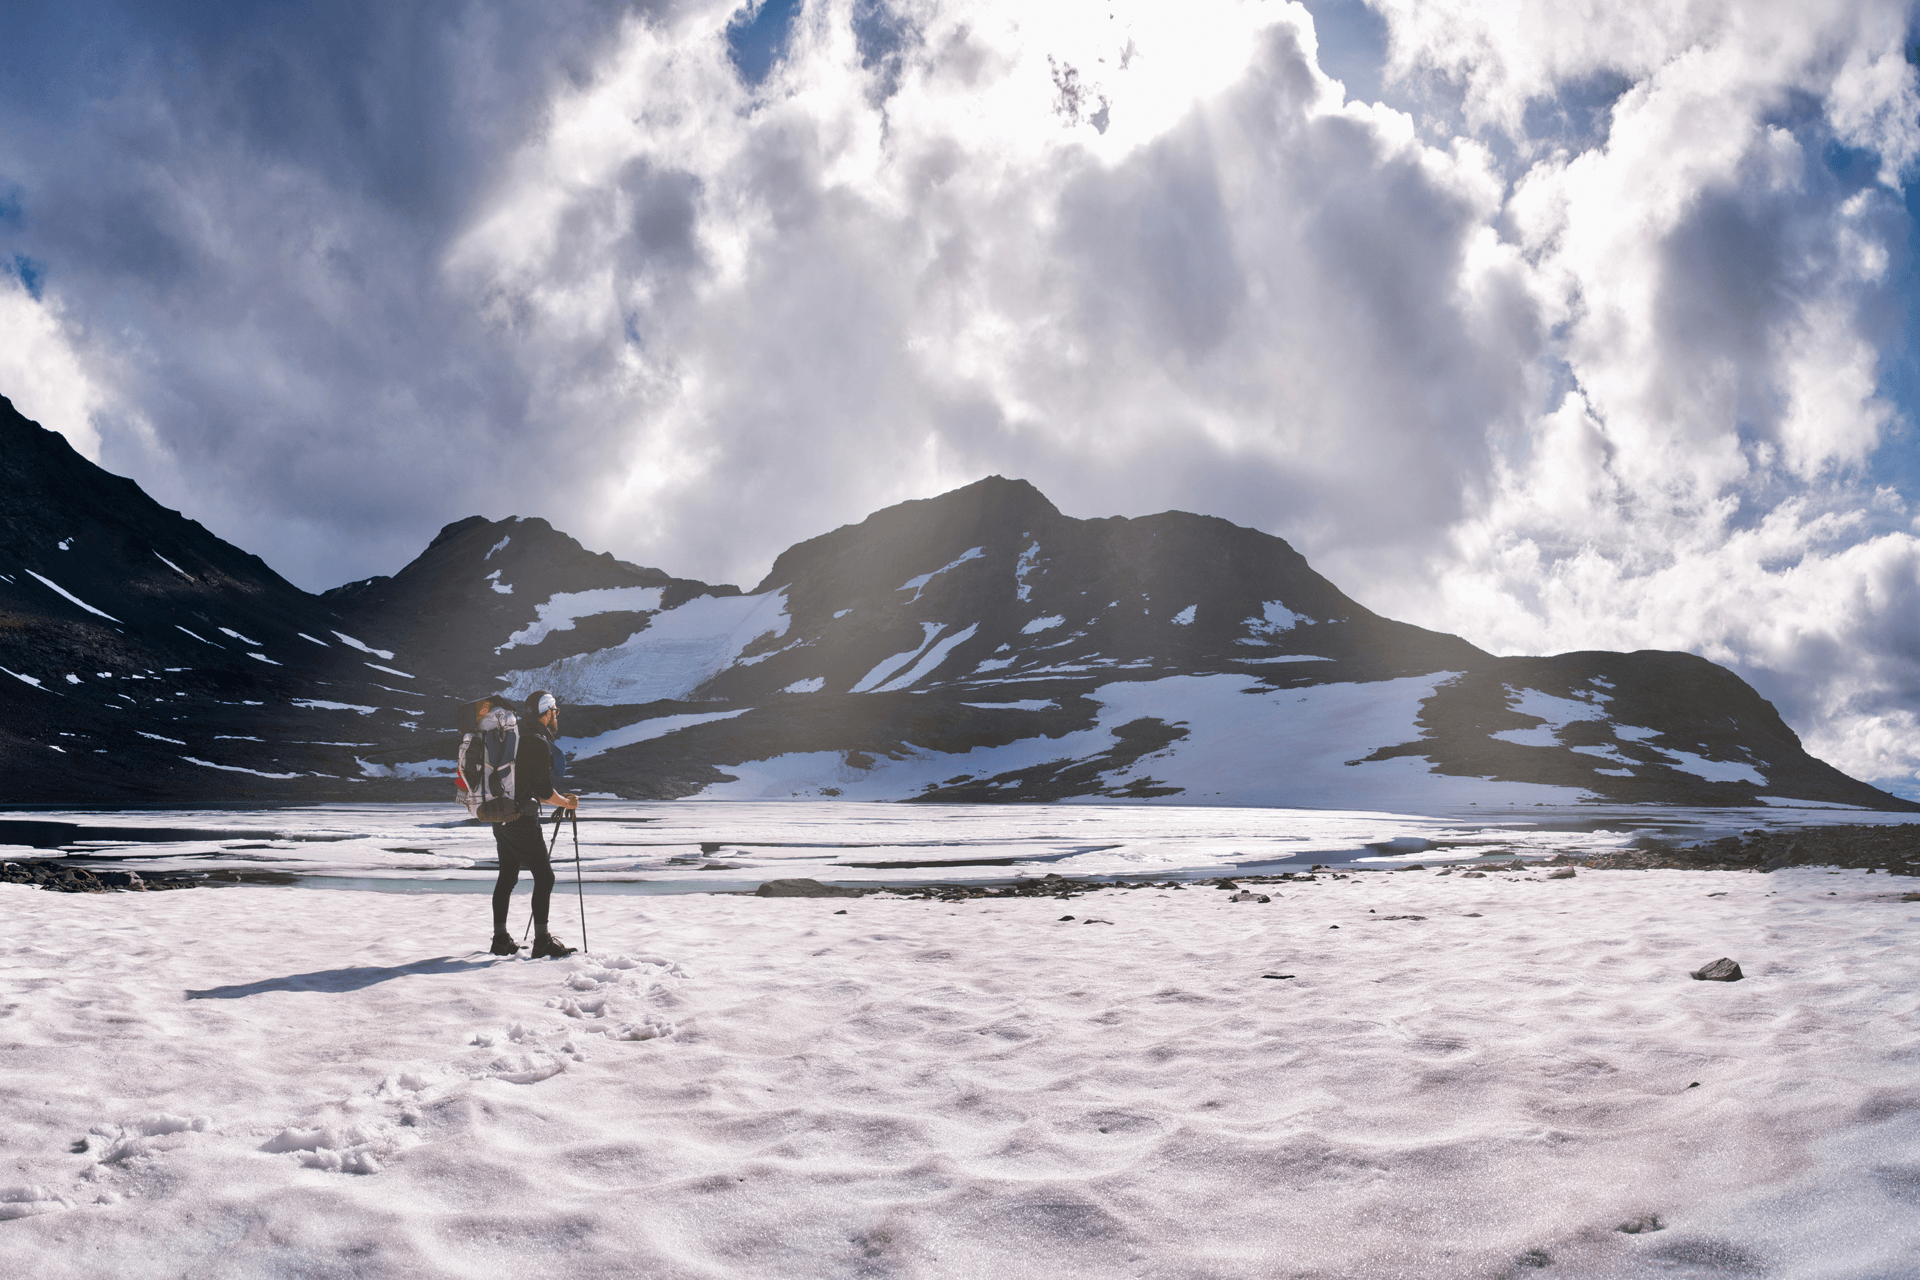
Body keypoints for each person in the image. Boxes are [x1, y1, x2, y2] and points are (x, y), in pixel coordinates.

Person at [484, 689, 579, 958]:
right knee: (545, 877)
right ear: (547, 713)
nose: (556, 716)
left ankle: (501, 939)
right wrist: (567, 803)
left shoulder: (515, 738)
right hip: (521, 821)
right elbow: (544, 792)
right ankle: (542, 941)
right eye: (555, 712)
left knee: (507, 876)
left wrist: (558, 800)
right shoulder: (536, 742)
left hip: (501, 817)